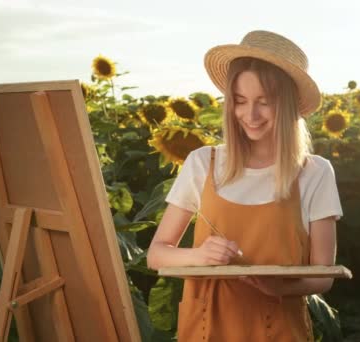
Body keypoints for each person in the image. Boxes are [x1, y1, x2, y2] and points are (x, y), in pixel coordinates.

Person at [146, 30, 343, 341]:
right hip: (205, 328)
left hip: (278, 327)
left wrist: (282, 286)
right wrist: (199, 256)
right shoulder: (203, 162)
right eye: (240, 101)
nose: (250, 115)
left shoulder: (315, 172)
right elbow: (157, 255)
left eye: (264, 102)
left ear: (289, 105)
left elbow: (323, 275)